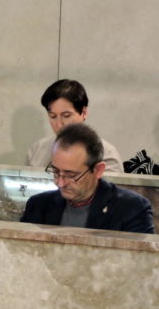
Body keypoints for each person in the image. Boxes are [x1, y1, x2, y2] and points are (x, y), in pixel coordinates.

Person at [21, 123, 154, 234]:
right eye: (55, 172)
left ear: (97, 170)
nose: (60, 183)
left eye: (71, 175)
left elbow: (140, 262)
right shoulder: (38, 205)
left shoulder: (132, 209)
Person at [26, 79, 123, 172]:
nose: (59, 124)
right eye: (53, 116)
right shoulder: (37, 150)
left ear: (84, 112)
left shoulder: (107, 156)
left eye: (66, 116)